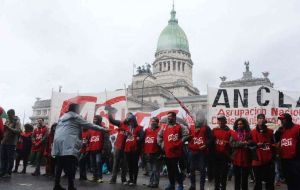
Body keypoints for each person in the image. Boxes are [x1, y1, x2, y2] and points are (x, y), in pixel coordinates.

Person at [51, 103, 109, 190]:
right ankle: (71, 186)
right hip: (68, 143)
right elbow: (90, 125)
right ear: (76, 109)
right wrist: (104, 129)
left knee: (59, 164)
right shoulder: (76, 117)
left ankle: (56, 185)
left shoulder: (61, 118)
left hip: (58, 142)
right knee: (71, 165)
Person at [157, 111, 189, 190]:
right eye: (168, 117)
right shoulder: (164, 127)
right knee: (170, 170)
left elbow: (186, 135)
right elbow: (159, 136)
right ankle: (171, 185)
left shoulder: (180, 126)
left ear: (174, 117)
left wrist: (180, 142)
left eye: (170, 116)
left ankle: (180, 185)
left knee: (177, 171)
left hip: (177, 153)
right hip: (167, 153)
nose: (168, 118)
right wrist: (161, 145)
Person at [105, 105, 133, 184]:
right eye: (127, 116)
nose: (127, 118)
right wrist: (110, 112)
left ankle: (123, 179)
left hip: (126, 148)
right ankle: (113, 179)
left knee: (124, 164)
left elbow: (132, 138)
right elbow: (112, 120)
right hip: (118, 146)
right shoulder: (121, 123)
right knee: (116, 163)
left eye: (129, 117)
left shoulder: (132, 127)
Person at [251, 114, 275, 190]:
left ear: (265, 120)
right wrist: (256, 144)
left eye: (262, 118)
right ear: (257, 120)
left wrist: (273, 156)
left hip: (269, 161)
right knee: (258, 183)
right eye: (259, 118)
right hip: (257, 160)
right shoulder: (252, 132)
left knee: (270, 182)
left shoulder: (271, 132)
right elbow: (249, 145)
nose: (261, 120)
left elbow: (274, 145)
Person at [187, 120, 212, 190]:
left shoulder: (206, 128)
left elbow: (210, 138)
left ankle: (202, 187)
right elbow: (189, 138)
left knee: (202, 170)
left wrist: (205, 145)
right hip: (192, 151)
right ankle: (193, 186)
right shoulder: (191, 127)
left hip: (202, 152)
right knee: (191, 169)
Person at [278, 113, 300, 190]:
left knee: (297, 181)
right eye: (280, 120)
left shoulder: (297, 128)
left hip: (295, 160)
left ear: (288, 120)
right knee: (289, 181)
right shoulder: (281, 130)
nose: (281, 121)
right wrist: (277, 133)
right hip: (284, 160)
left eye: (283, 119)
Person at [230, 118, 252, 190]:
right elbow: (232, 144)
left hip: (246, 158)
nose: (239, 125)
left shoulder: (249, 133)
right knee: (237, 178)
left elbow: (251, 142)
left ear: (244, 124)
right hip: (236, 158)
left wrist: (248, 143)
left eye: (241, 124)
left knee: (245, 179)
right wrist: (242, 143)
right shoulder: (234, 133)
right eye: (238, 124)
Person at [212, 115, 232, 190]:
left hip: (225, 156)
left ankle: (223, 188)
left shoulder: (229, 131)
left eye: (222, 120)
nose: (220, 122)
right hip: (216, 155)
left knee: (224, 174)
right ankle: (216, 188)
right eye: (219, 120)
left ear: (225, 121)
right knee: (216, 174)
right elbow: (211, 141)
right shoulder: (214, 130)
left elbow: (231, 143)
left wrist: (228, 143)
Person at [123, 113, 143, 186]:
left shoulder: (140, 128)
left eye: (131, 121)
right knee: (129, 165)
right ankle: (131, 179)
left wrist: (136, 139)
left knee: (134, 165)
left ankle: (134, 180)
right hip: (127, 149)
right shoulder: (128, 128)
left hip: (135, 149)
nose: (130, 122)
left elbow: (141, 137)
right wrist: (126, 136)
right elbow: (125, 138)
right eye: (129, 121)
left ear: (134, 121)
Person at [0, 109, 21, 178]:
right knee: (3, 157)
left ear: (13, 114)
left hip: (11, 143)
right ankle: (2, 171)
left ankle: (8, 172)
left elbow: (18, 131)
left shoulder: (17, 121)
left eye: (9, 115)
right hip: (4, 141)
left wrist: (8, 128)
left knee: (10, 158)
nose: (8, 116)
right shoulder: (8, 120)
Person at [144, 117, 162, 188]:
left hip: (157, 153)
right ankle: (151, 182)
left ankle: (155, 183)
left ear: (157, 123)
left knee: (156, 170)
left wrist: (161, 153)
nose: (153, 122)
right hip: (148, 153)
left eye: (154, 121)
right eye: (152, 121)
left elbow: (162, 143)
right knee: (151, 170)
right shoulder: (147, 130)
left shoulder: (160, 130)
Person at [88, 115, 105, 183]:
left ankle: (100, 178)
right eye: (94, 119)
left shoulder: (102, 128)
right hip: (92, 149)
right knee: (93, 164)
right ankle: (95, 177)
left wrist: (104, 149)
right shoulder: (91, 128)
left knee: (98, 163)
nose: (94, 120)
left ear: (99, 120)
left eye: (96, 119)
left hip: (99, 149)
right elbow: (89, 138)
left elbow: (105, 140)